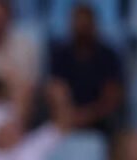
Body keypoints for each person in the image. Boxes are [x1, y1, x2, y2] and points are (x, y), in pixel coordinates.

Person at [48, 3, 124, 135]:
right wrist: (69, 114)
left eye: (86, 24)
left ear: (94, 25)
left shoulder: (108, 55)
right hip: (66, 116)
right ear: (71, 25)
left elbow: (112, 94)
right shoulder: (60, 54)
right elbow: (56, 88)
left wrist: (87, 115)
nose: (82, 28)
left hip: (99, 118)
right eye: (78, 23)